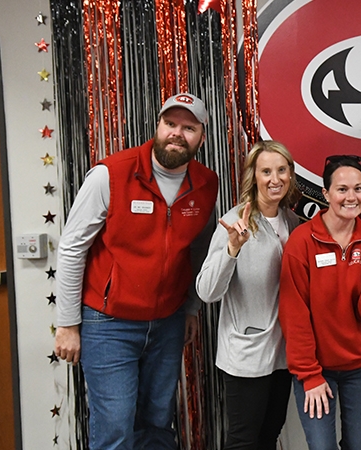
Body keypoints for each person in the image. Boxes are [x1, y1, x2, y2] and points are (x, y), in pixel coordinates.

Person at [53, 93, 218, 449]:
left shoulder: (206, 184)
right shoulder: (109, 174)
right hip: (108, 323)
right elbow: (71, 248)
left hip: (169, 321)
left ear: (201, 138)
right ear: (157, 127)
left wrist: (190, 309)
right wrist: (67, 323)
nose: (177, 134)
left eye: (188, 128)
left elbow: (198, 254)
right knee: (115, 425)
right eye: (170, 124)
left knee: (158, 421)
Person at [278, 154, 361, 450]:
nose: (351, 197)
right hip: (317, 371)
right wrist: (309, 375)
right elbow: (295, 315)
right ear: (326, 193)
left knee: (358, 446)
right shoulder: (301, 241)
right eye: (342, 189)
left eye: (358, 188)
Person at [196, 140, 301, 450]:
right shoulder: (234, 223)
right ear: (253, 176)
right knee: (244, 442)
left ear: (291, 175)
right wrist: (232, 249)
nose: (275, 179)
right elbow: (206, 291)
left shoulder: (294, 224)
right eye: (266, 171)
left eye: (282, 170)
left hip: (283, 356)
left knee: (269, 437)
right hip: (247, 357)